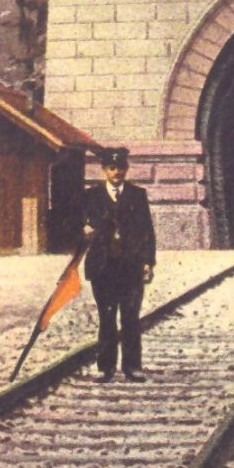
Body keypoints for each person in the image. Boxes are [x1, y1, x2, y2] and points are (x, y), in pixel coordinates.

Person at [81, 147, 156, 383]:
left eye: (121, 168)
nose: (117, 172)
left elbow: (147, 232)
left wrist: (148, 261)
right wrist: (84, 229)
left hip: (130, 266)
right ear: (104, 170)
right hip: (103, 267)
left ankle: (132, 366)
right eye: (112, 168)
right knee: (106, 316)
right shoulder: (91, 196)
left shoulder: (137, 195)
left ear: (126, 169)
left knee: (131, 316)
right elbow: (76, 223)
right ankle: (105, 367)